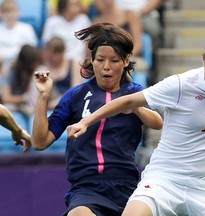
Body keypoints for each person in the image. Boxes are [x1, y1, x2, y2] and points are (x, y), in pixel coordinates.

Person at [67, 22, 205, 215]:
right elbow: (127, 101)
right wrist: (85, 121)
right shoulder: (180, 85)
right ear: (203, 59)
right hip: (164, 179)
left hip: (204, 188)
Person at [32, 23, 163, 216]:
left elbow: (157, 122)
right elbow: (40, 141)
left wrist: (135, 108)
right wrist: (43, 97)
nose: (106, 67)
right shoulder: (76, 96)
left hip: (127, 186)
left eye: (114, 60)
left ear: (126, 61)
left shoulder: (135, 93)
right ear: (92, 61)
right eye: (100, 60)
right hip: (86, 187)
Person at [41, 36, 83, 109]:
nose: (55, 57)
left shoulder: (73, 64)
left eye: (58, 53)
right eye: (52, 54)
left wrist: (58, 101)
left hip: (69, 103)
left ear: (63, 51)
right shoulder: (43, 67)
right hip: (49, 105)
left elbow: (76, 90)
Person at [2, 44, 42, 117]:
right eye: (32, 63)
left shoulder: (35, 72)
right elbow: (6, 98)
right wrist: (24, 98)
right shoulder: (10, 71)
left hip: (29, 109)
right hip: (13, 108)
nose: (35, 65)